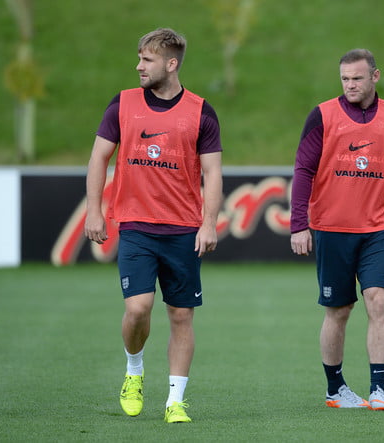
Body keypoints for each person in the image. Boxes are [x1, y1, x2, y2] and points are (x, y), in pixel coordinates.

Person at [84, 28, 223, 423]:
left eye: (147, 60)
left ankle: (175, 401)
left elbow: (212, 174)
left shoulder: (201, 111)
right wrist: (95, 210)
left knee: (181, 316)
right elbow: (99, 159)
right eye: (139, 58)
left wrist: (208, 223)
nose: (139, 66)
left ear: (171, 63)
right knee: (138, 309)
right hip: (137, 228)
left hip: (183, 229)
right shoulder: (122, 104)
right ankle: (134, 369)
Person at [290, 48, 384, 411]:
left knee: (379, 301)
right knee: (338, 311)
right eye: (345, 79)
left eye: (357, 78)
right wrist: (299, 225)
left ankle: (378, 389)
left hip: (376, 229)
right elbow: (303, 170)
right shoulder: (322, 115)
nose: (350, 85)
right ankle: (335, 389)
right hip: (331, 228)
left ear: (375, 76)